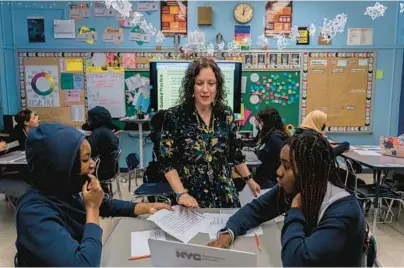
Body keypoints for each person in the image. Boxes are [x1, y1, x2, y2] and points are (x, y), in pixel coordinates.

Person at [15, 123, 171, 266]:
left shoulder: (63, 189)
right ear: (60, 167)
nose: (93, 164)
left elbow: (104, 204)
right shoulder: (33, 213)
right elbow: (84, 264)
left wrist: (146, 207)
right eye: (85, 159)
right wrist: (92, 210)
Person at [207, 134, 366, 267]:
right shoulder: (301, 188)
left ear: (309, 172)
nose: (279, 172)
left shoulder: (342, 212)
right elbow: (256, 210)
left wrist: (295, 210)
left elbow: (296, 260)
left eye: (287, 166)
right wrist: (228, 233)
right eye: (280, 164)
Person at [158, 57, 260, 208]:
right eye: (199, 83)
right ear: (191, 86)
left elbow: (234, 153)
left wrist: (250, 180)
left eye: (211, 84)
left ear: (217, 87)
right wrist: (181, 194)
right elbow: (166, 161)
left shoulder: (226, 114)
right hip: (190, 198)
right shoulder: (175, 116)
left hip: (225, 196)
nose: (205, 90)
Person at [254, 107, 289, 189]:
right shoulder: (270, 135)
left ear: (266, 122)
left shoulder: (275, 138)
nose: (257, 124)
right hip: (267, 182)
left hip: (271, 184)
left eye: (259, 121)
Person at [86, 106, 119, 188]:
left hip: (101, 171)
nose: (88, 122)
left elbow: (88, 151)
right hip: (111, 169)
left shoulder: (97, 133)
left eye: (89, 119)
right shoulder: (109, 131)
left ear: (95, 119)